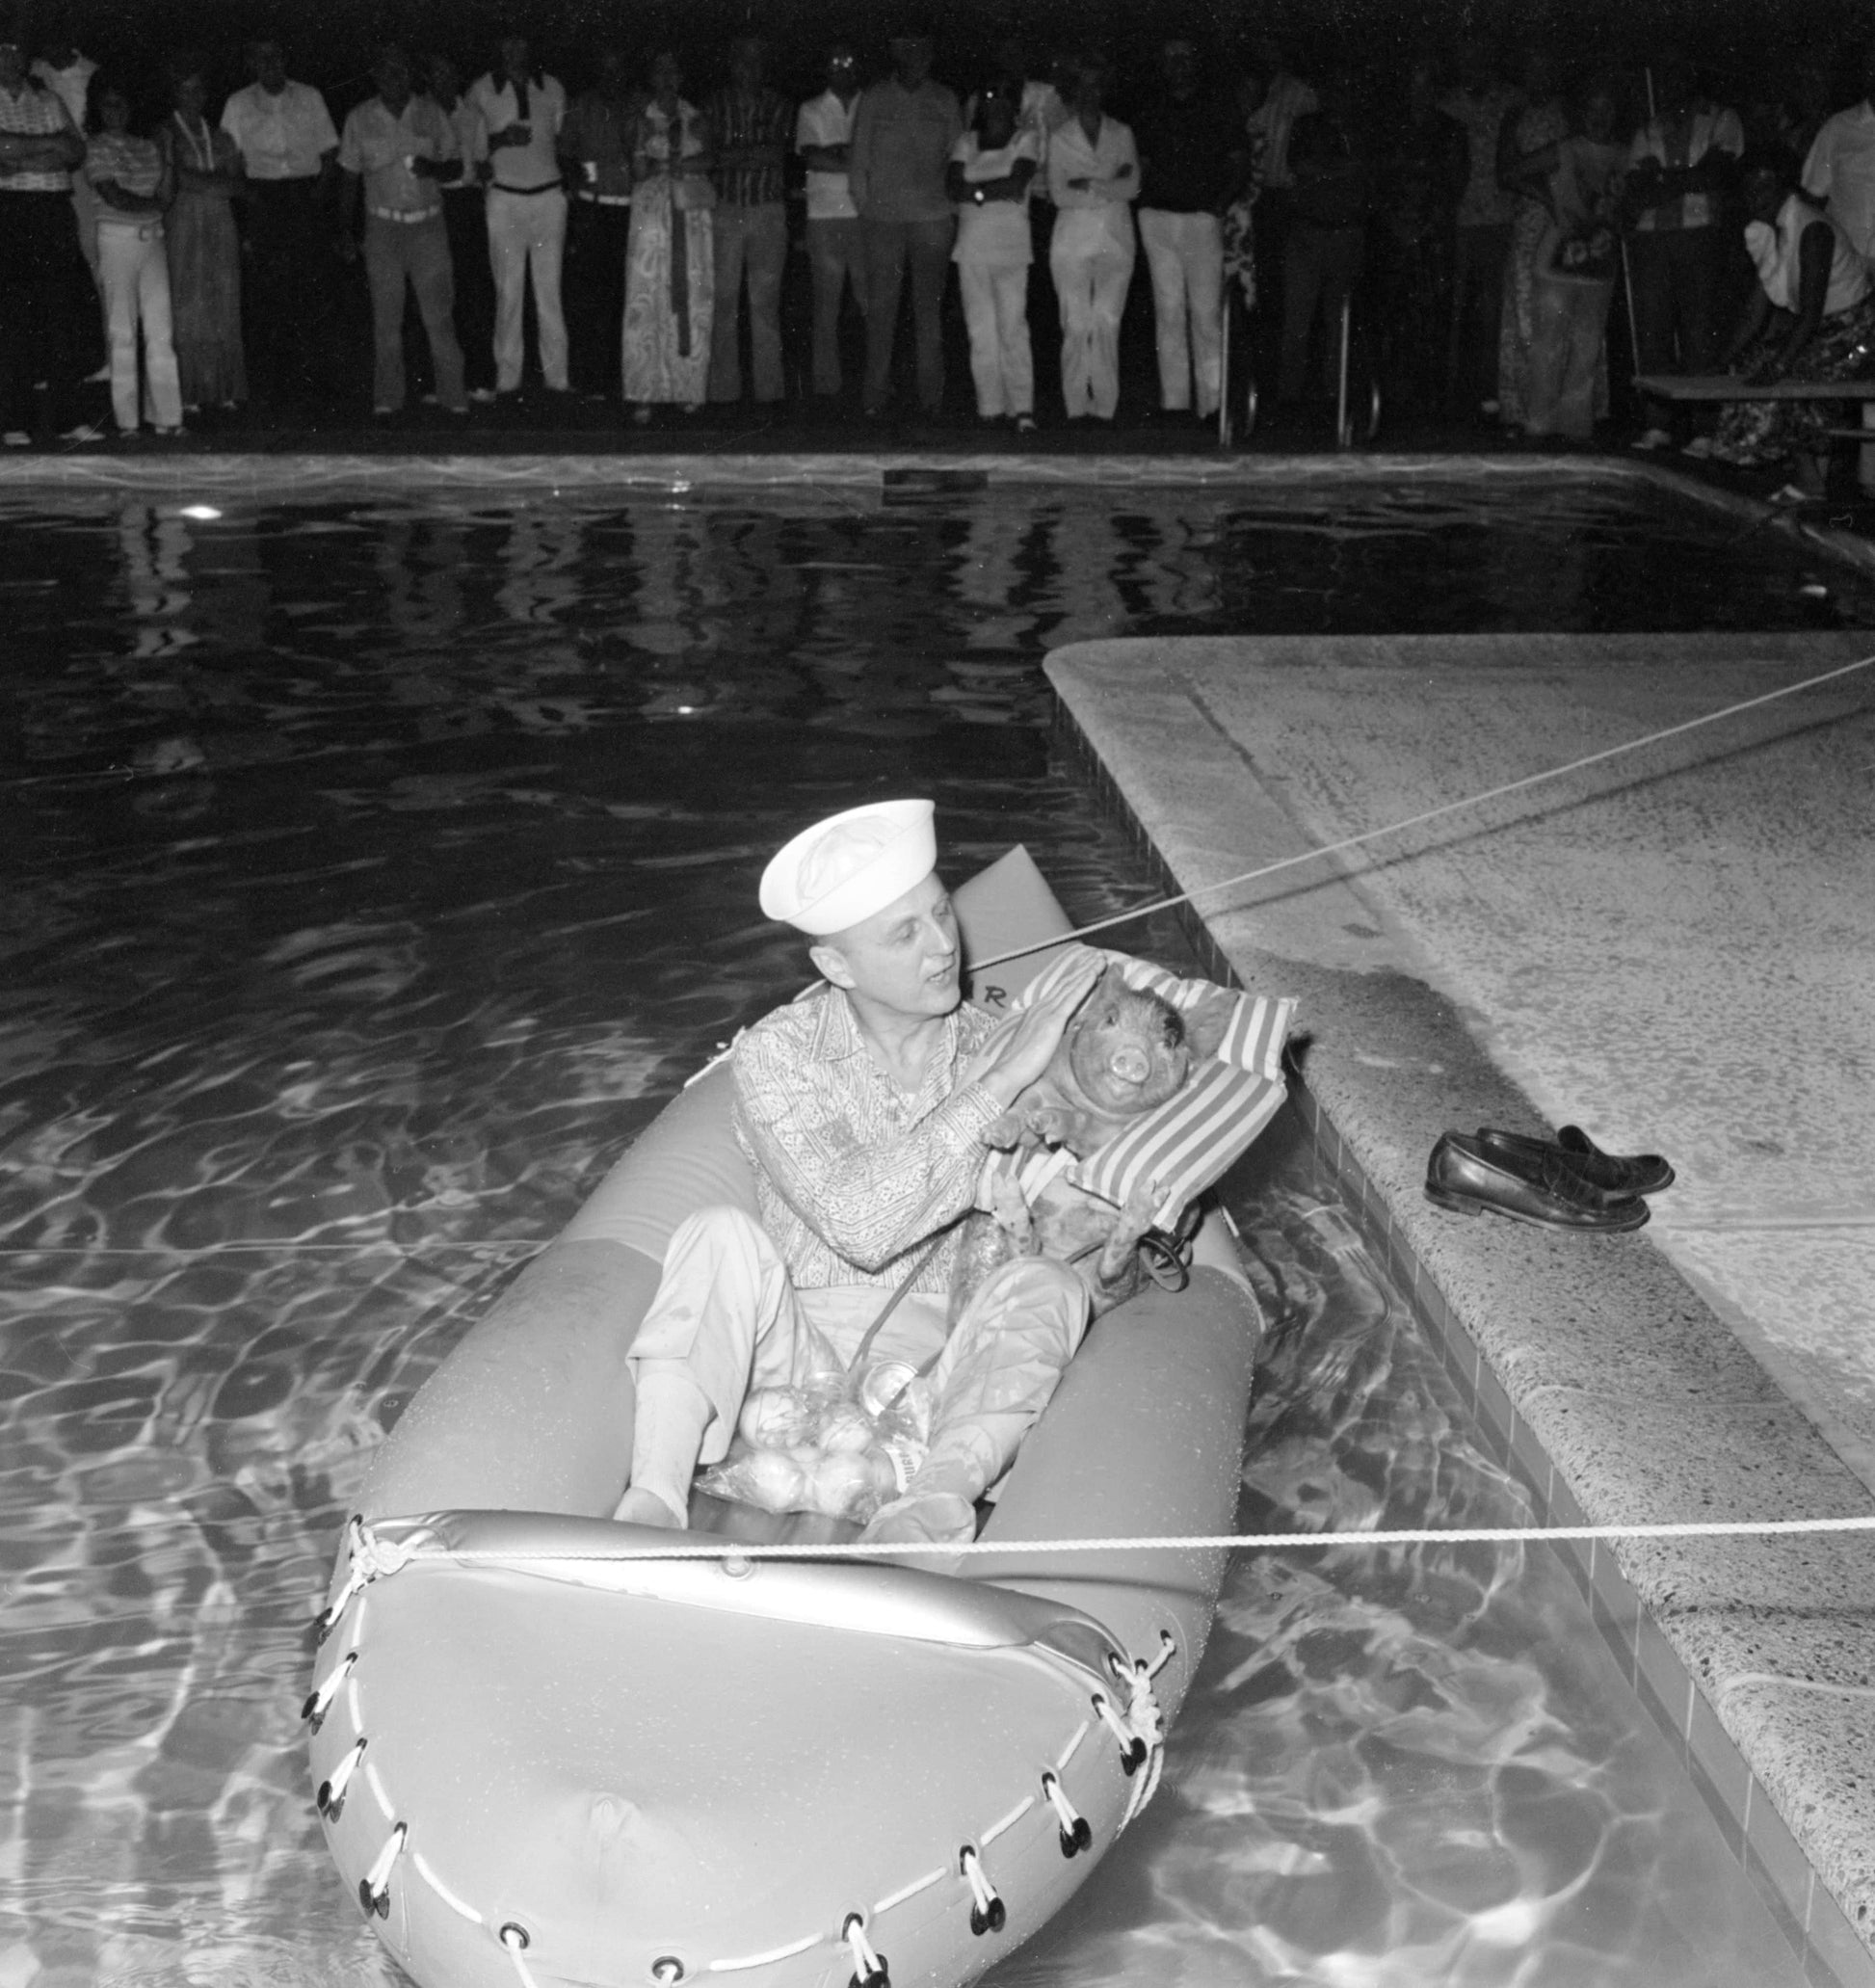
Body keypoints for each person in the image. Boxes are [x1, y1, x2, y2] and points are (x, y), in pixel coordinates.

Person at [613, 799, 1110, 1557]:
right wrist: (996, 1086)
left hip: (942, 1378)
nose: (943, 945)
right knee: (715, 1235)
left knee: (1052, 1286)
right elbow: (860, 1223)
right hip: (791, 1355)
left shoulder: (1001, 1043)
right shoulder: (781, 1054)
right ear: (837, 966)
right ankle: (651, 1501)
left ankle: (925, 1515)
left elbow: (1074, 1231)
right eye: (905, 933)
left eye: (941, 912)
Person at [1709, 149, 1875, 498]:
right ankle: (1807, 475)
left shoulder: (1812, 229)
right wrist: (1719, 362)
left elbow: (1810, 314)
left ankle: (1809, 481)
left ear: (1784, 186)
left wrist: (1780, 364)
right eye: (1749, 188)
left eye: (1765, 187)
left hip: (1858, 333)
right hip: (1828, 330)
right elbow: (1754, 312)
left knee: (1791, 374)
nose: (1756, 196)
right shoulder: (1772, 232)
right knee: (1757, 361)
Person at [335, 42, 466, 420]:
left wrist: (433, 169)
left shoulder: (431, 112)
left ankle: (453, 395)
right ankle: (388, 398)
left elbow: (456, 166)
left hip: (428, 225)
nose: (393, 78)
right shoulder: (360, 118)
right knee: (386, 319)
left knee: (438, 316)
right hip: (382, 228)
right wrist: (344, 230)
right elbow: (348, 177)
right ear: (375, 76)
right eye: (385, 70)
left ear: (410, 75)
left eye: (401, 70)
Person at [1624, 51, 1742, 453]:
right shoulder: (1649, 127)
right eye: (1666, 74)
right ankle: (1658, 424)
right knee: (1654, 330)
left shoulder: (1721, 119)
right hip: (1652, 238)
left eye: (1680, 73)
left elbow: (1718, 173)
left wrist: (1662, 179)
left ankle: (1704, 429)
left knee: (1700, 330)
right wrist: (1689, 178)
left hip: (1701, 234)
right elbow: (1637, 187)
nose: (1672, 82)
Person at [1131, 36, 1249, 426]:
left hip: (1201, 218)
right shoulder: (1152, 109)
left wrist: (1219, 205)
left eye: (1184, 57)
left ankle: (1212, 404)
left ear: (1196, 62)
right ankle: (1176, 405)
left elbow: (1239, 163)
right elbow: (1141, 163)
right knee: (1168, 312)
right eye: (1170, 58)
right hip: (1158, 219)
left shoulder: (1218, 107)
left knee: (1206, 313)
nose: (1178, 65)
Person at [849, 23, 963, 422]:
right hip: (883, 220)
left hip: (932, 218)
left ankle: (932, 397)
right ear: (898, 53)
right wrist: (866, 207)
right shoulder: (875, 97)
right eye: (909, 49)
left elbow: (958, 158)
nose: (917, 57)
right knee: (881, 311)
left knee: (929, 311)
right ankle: (875, 395)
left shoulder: (945, 99)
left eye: (923, 50)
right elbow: (858, 159)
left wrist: (952, 213)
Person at [219, 39, 338, 408]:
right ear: (252, 63)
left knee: (311, 289)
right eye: (261, 57)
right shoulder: (238, 103)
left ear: (286, 59)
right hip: (262, 197)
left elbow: (330, 153)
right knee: (266, 292)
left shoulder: (310, 96)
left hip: (305, 195)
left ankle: (314, 384)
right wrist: (249, 203)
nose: (269, 63)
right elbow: (231, 161)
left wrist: (317, 197)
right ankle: (271, 385)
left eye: (275, 56)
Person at [0, 18, 102, 444]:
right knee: (15, 318)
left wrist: (19, 155)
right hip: (11, 211)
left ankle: (68, 418)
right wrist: (47, 146)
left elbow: (74, 150)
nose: (12, 59)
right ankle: (13, 421)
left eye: (17, 52)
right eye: (4, 52)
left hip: (54, 210)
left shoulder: (48, 97)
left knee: (63, 315)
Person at [1519, 75, 1628, 441]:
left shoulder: (1627, 154)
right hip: (1557, 262)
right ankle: (1539, 426)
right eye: (1592, 108)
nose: (1599, 116)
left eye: (1607, 108)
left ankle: (1576, 428)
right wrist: (1549, 200)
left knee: (1587, 349)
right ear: (1581, 112)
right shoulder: (1566, 149)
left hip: (1599, 262)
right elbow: (1512, 172)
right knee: (1548, 346)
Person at [468, 34, 569, 398]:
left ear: (530, 49)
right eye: (507, 46)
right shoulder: (482, 90)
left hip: (548, 197)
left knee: (549, 293)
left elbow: (559, 140)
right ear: (499, 50)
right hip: (505, 198)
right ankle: (507, 379)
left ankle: (557, 379)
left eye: (521, 46)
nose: (514, 52)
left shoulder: (552, 87)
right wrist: (500, 139)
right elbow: (473, 150)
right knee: (508, 293)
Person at [85, 72, 183, 437]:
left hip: (152, 240)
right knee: (122, 332)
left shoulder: (145, 146)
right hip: (117, 241)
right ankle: (127, 422)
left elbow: (167, 194)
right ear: (98, 108)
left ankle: (168, 418)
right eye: (108, 104)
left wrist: (168, 155)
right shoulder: (95, 146)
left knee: (161, 331)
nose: (116, 111)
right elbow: (114, 196)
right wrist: (155, 205)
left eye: (122, 103)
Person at [1370, 57, 1466, 420]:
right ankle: (1391, 399)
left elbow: (1454, 186)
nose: (1420, 93)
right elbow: (1376, 183)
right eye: (1414, 84)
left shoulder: (1452, 130)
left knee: (1433, 318)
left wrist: (1424, 228)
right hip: (1393, 236)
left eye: (1427, 85)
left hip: (1433, 237)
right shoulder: (1387, 128)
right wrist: (1396, 224)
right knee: (1392, 317)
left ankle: (1431, 400)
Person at [621, 50, 714, 422]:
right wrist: (648, 149)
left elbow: (712, 159)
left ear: (681, 77)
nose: (666, 78)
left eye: (672, 71)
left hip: (690, 215)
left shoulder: (697, 117)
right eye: (659, 71)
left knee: (690, 296)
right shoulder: (640, 118)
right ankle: (644, 391)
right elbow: (637, 170)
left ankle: (686, 387)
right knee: (646, 297)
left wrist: (677, 163)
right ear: (651, 77)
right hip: (651, 213)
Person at [1801, 39, 1875, 495]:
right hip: (1845, 273)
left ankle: (1871, 482)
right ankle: (1814, 484)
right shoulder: (1839, 128)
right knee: (1830, 368)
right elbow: (1811, 196)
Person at [1277, 67, 1374, 411]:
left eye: (1345, 88)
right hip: (1308, 234)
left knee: (1340, 322)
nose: (1338, 96)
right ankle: (1289, 400)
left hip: (1347, 235)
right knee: (1297, 321)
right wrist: (1338, 170)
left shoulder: (1361, 128)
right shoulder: (1306, 125)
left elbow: (1364, 169)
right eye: (1332, 89)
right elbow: (1300, 165)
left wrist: (1327, 171)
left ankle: (1336, 396)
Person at [1044, 56, 1136, 422]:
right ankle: (1075, 406)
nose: (1089, 94)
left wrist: (1088, 183)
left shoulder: (1122, 133)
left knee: (1108, 321)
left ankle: (1105, 408)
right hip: (1072, 240)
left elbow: (1132, 186)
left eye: (1095, 86)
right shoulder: (1060, 137)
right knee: (1076, 323)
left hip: (1116, 238)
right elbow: (1059, 194)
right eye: (1082, 86)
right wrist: (1109, 182)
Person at [703, 36, 791, 410]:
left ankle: (768, 392)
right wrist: (748, 154)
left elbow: (775, 154)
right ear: (732, 63)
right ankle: (723, 391)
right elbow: (711, 157)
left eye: (755, 61)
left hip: (767, 210)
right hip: (725, 210)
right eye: (742, 59)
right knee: (723, 302)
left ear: (764, 65)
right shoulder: (714, 105)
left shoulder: (779, 104)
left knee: (765, 303)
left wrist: (733, 155)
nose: (748, 68)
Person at [157, 55, 246, 415]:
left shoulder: (221, 135)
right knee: (187, 301)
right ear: (174, 93)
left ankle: (223, 387)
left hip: (220, 221)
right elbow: (176, 179)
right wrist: (214, 182)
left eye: (198, 90)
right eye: (185, 90)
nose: (192, 97)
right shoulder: (166, 132)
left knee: (222, 297)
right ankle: (188, 389)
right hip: (183, 221)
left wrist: (202, 182)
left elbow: (237, 184)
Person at [946, 86, 1039, 428]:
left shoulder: (1025, 139)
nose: (995, 107)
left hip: (1012, 248)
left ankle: (1022, 408)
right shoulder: (967, 142)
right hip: (972, 248)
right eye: (989, 101)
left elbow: (1017, 185)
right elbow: (952, 188)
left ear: (1012, 107)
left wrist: (976, 193)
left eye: (1001, 101)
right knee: (980, 330)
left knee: (1013, 328)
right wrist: (989, 192)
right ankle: (990, 407)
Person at [1439, 35, 1521, 418]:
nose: (1472, 64)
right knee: (1453, 309)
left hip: (1500, 218)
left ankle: (1491, 391)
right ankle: (1450, 393)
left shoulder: (1511, 100)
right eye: (1465, 56)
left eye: (1479, 55)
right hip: (1456, 219)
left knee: (1494, 311)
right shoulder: (1447, 103)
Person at [1494, 46, 1571, 434]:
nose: (1539, 78)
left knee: (1564, 314)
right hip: (1530, 223)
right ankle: (1526, 409)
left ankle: (1566, 410)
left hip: (1568, 223)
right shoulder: (1515, 115)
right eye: (1532, 70)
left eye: (1546, 69)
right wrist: (1543, 193)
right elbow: (1505, 171)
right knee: (1526, 315)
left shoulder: (1568, 112)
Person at [558, 46, 639, 400]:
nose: (611, 77)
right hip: (592, 210)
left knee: (627, 295)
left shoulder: (639, 105)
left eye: (617, 70)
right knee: (590, 297)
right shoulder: (580, 106)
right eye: (605, 70)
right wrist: (576, 176)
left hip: (631, 211)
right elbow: (564, 153)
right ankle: (591, 377)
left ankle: (625, 375)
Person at [795, 43, 864, 403]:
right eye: (835, 62)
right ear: (826, 69)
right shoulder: (811, 108)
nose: (842, 68)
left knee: (870, 301)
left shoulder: (871, 105)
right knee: (827, 304)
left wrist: (836, 151)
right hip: (824, 215)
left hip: (865, 214)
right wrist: (853, 158)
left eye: (848, 61)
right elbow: (814, 158)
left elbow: (872, 156)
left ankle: (873, 378)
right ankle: (826, 384)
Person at [427, 54, 496, 404]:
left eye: (449, 74)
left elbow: (483, 166)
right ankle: (436, 380)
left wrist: (469, 170)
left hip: (466, 205)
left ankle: (479, 377)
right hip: (432, 207)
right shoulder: (418, 115)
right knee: (434, 296)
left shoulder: (471, 116)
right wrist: (452, 169)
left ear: (458, 79)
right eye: (437, 74)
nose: (444, 81)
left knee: (473, 293)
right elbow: (421, 168)